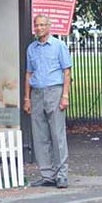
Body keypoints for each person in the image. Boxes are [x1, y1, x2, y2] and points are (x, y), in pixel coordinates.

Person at [24, 15, 72, 189]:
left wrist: (65, 95)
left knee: (57, 135)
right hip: (37, 93)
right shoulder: (32, 49)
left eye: (42, 25)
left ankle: (61, 175)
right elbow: (28, 74)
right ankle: (47, 174)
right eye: (36, 25)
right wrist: (27, 98)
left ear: (49, 27)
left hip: (54, 91)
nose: (39, 28)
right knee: (39, 135)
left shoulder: (59, 46)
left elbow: (67, 72)